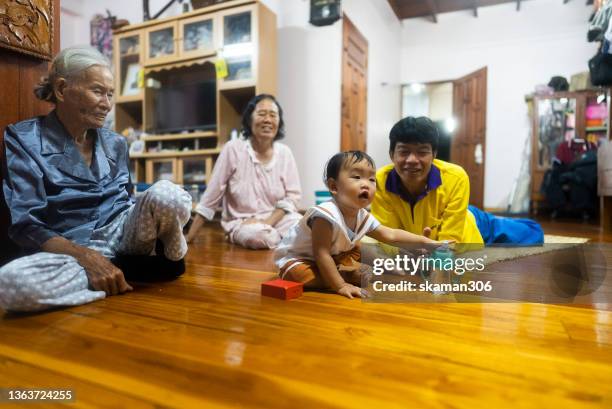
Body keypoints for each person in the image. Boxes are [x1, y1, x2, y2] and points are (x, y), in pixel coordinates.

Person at [0, 46, 192, 312]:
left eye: (110, 94)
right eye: (98, 91)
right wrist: (87, 257)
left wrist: (148, 220)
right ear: (62, 89)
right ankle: (126, 269)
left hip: (122, 234)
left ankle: (120, 267)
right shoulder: (24, 138)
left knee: (168, 194)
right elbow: (27, 224)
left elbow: (128, 201)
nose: (107, 104)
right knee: (10, 284)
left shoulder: (116, 143)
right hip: (71, 248)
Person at [274, 151, 442, 299]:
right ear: (334, 186)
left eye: (371, 179)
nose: (366, 184)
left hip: (336, 255)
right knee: (298, 275)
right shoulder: (325, 215)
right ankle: (344, 276)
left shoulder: (362, 215)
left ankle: (392, 267)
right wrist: (341, 285)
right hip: (301, 259)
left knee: (363, 247)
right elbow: (321, 253)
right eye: (356, 177)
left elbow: (390, 234)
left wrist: (425, 241)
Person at [371, 116, 543, 245]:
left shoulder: (455, 177)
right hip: (427, 229)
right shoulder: (379, 180)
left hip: (465, 218)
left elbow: (451, 239)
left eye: (422, 152)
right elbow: (387, 236)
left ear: (434, 155)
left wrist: (434, 260)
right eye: (404, 151)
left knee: (532, 234)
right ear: (392, 154)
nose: (412, 160)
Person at [186, 94, 302, 249]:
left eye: (273, 115)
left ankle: (282, 241)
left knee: (307, 226)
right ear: (249, 119)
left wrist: (267, 222)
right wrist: (189, 236)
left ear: (278, 122)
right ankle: (285, 242)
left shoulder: (285, 153)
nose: (268, 120)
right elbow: (210, 197)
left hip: (277, 219)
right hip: (243, 223)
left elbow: (293, 198)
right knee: (259, 236)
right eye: (262, 114)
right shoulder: (233, 149)